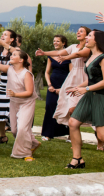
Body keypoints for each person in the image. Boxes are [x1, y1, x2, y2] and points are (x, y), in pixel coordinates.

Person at [36, 27, 91, 128]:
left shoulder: (89, 47)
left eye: (81, 31)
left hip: (84, 77)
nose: (78, 32)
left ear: (87, 35)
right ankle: (72, 133)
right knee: (70, 109)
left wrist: (66, 57)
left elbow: (79, 54)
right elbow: (58, 53)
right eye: (77, 30)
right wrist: (44, 53)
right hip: (73, 78)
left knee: (87, 108)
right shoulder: (73, 46)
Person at [66, 29, 104, 169]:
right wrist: (77, 87)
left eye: (89, 36)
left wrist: (85, 89)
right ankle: (77, 159)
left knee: (101, 137)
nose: (86, 38)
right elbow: (92, 80)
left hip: (101, 97)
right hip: (90, 96)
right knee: (73, 122)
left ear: (97, 40)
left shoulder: (103, 58)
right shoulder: (90, 58)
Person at [40, 35, 72, 141]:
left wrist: (63, 89)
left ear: (63, 43)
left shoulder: (69, 56)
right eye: (54, 41)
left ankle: (70, 134)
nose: (55, 42)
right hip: (52, 84)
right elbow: (47, 72)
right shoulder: (50, 56)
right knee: (49, 106)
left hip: (65, 84)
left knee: (67, 108)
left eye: (58, 41)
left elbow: (72, 74)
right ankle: (48, 134)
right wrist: (49, 85)